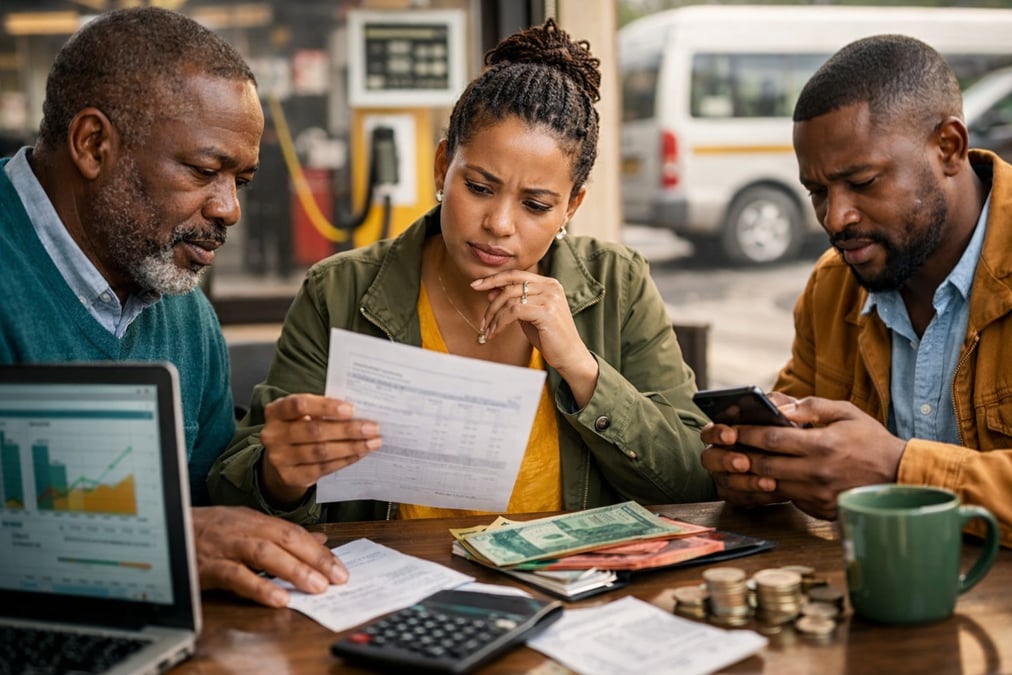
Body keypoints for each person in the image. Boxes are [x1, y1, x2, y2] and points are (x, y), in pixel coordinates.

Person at [208, 19, 715, 523]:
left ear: (571, 207)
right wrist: (280, 476)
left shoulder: (617, 285)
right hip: (401, 592)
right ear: (441, 167)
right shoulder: (339, 290)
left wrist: (583, 371)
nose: (498, 224)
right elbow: (237, 490)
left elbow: (695, 476)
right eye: (478, 187)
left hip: (577, 594)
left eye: (536, 205)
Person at [0, 6, 347, 606]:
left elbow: (216, 522)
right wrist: (159, 546)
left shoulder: (189, 316)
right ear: (92, 143)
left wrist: (275, 480)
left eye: (240, 181)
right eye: (205, 171)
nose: (228, 210)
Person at [699, 34, 1012, 547]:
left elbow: (886, 469)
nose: (835, 218)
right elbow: (791, 423)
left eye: (862, 182)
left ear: (948, 148)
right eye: (817, 192)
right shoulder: (832, 285)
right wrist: (757, 466)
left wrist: (897, 469)